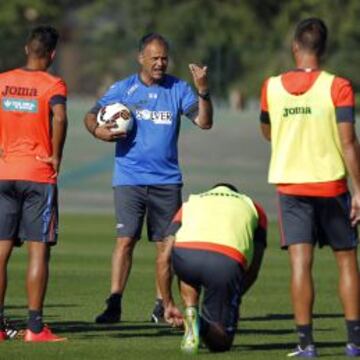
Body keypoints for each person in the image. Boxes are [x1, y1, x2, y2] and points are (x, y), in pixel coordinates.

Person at [84, 33, 213, 324]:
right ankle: (114, 303)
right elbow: (91, 115)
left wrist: (203, 91)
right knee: (125, 240)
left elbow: (204, 122)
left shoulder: (178, 88)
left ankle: (161, 304)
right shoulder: (122, 88)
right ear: (140, 58)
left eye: (164, 58)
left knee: (165, 247)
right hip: (129, 178)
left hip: (166, 181)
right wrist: (98, 131)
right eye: (154, 58)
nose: (160, 63)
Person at [260, 18, 360, 357]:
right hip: (332, 188)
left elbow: (267, 131)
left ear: (295, 47)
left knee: (300, 266)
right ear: (324, 49)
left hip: (291, 188)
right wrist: (359, 190)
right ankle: (354, 343)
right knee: (347, 262)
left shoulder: (270, 87)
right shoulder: (339, 86)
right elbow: (349, 142)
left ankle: (306, 344)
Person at [0, 25, 68, 342]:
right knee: (38, 252)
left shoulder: (3, 81)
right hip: (38, 176)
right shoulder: (53, 84)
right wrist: (55, 156)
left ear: (27, 48)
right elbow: (60, 116)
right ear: (52, 55)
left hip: (3, 173)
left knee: (0, 252)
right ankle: (35, 328)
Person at [158, 183, 267, 353]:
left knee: (188, 264)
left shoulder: (191, 202)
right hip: (226, 261)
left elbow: (164, 256)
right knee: (221, 343)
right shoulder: (254, 207)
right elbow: (255, 266)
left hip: (186, 257)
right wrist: (234, 295)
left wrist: (168, 303)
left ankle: (190, 311)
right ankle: (198, 323)